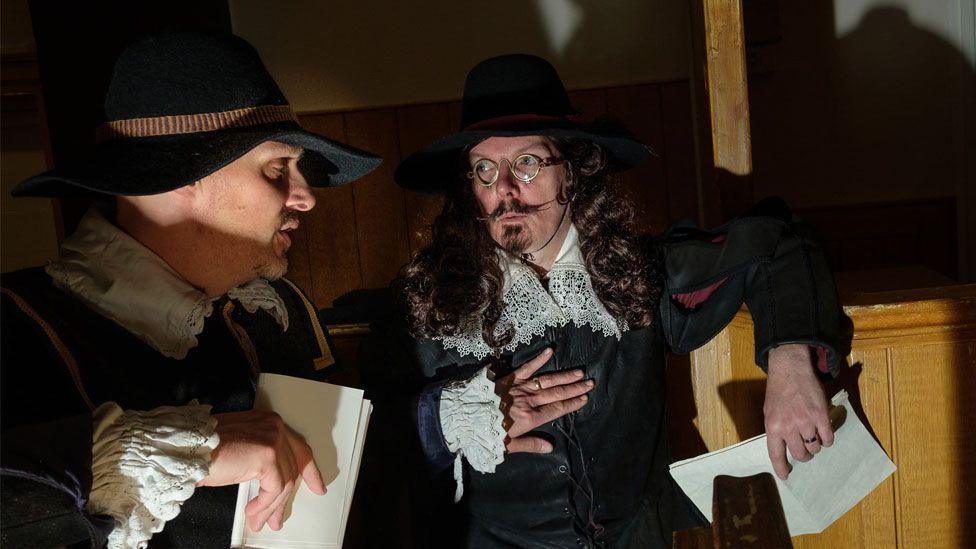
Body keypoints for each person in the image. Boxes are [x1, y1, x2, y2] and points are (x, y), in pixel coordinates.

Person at [391, 54, 848, 548]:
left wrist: (791, 364)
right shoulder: (431, 301)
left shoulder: (638, 274)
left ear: (573, 172)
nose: (504, 189)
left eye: (527, 163)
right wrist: (447, 417)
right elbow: (379, 443)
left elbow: (778, 242)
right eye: (484, 168)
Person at [0, 31, 380, 548]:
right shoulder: (14, 326)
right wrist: (185, 451)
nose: (305, 196)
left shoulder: (280, 310)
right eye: (276, 169)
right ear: (177, 176)